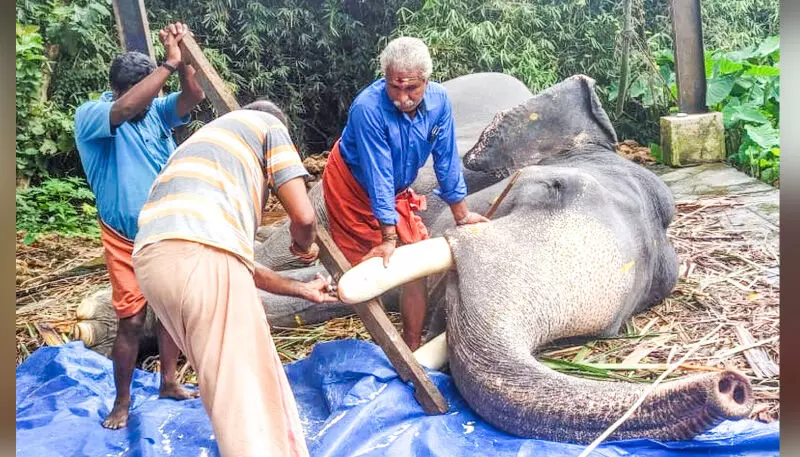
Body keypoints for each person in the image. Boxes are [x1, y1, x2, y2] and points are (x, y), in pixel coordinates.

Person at [131, 100, 337, 457]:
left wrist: (301, 288)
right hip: (199, 258)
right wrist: (304, 247)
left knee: (223, 381)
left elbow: (232, 261)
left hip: (152, 261)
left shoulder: (201, 146)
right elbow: (304, 218)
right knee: (243, 390)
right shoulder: (269, 126)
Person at [73, 22, 205, 429]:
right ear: (119, 90)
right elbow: (128, 109)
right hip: (123, 238)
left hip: (165, 229)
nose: (150, 102)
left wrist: (183, 60)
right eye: (144, 92)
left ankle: (168, 381)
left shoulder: (154, 112)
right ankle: (122, 402)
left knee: (169, 310)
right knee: (131, 320)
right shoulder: (95, 115)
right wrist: (167, 65)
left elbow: (193, 97)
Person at [322, 37, 488, 350]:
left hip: (396, 189)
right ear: (385, 78)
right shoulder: (367, 109)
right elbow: (378, 173)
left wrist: (462, 214)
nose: (402, 98)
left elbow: (446, 158)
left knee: (414, 260)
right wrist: (388, 237)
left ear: (426, 80)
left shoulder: (439, 102)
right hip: (352, 188)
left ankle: (412, 345)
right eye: (394, 87)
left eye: (411, 88)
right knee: (366, 267)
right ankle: (386, 344)